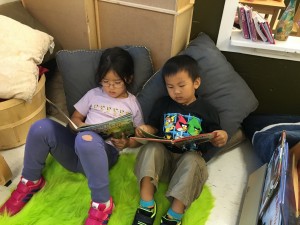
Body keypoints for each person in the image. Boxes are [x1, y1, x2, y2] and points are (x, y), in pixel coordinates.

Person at [0, 47, 144, 225]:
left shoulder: (132, 104)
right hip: (75, 152)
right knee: (40, 127)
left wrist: (127, 142)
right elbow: (75, 119)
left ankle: (102, 204)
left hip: (103, 155)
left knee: (88, 140)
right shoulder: (94, 94)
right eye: (106, 82)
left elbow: (138, 138)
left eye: (117, 82)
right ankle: (31, 181)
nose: (110, 87)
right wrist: (81, 126)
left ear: (128, 79)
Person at [132, 55, 228, 225]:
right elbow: (153, 127)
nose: (176, 91)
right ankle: (146, 204)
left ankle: (175, 214)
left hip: (186, 164)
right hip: (163, 160)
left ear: (196, 83)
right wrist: (146, 130)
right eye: (170, 87)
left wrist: (221, 136)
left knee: (194, 160)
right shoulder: (163, 104)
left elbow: (215, 135)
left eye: (181, 85)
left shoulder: (207, 109)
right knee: (150, 148)